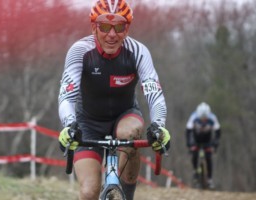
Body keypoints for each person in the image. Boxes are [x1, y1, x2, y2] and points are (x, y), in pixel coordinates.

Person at [57, 0, 171, 199]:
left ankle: (127, 195)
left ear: (127, 29)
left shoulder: (138, 52)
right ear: (94, 27)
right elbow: (67, 95)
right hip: (88, 122)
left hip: (125, 115)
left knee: (132, 132)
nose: (111, 34)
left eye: (119, 27)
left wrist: (159, 126)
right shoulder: (80, 51)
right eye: (104, 26)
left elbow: (154, 92)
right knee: (89, 191)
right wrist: (69, 125)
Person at [185, 102, 221, 189]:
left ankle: (209, 179)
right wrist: (189, 144)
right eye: (201, 119)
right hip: (196, 140)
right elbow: (188, 132)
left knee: (208, 158)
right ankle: (195, 171)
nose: (203, 120)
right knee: (194, 155)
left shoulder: (213, 117)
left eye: (205, 119)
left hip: (208, 141)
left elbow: (218, 132)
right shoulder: (193, 117)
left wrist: (215, 145)